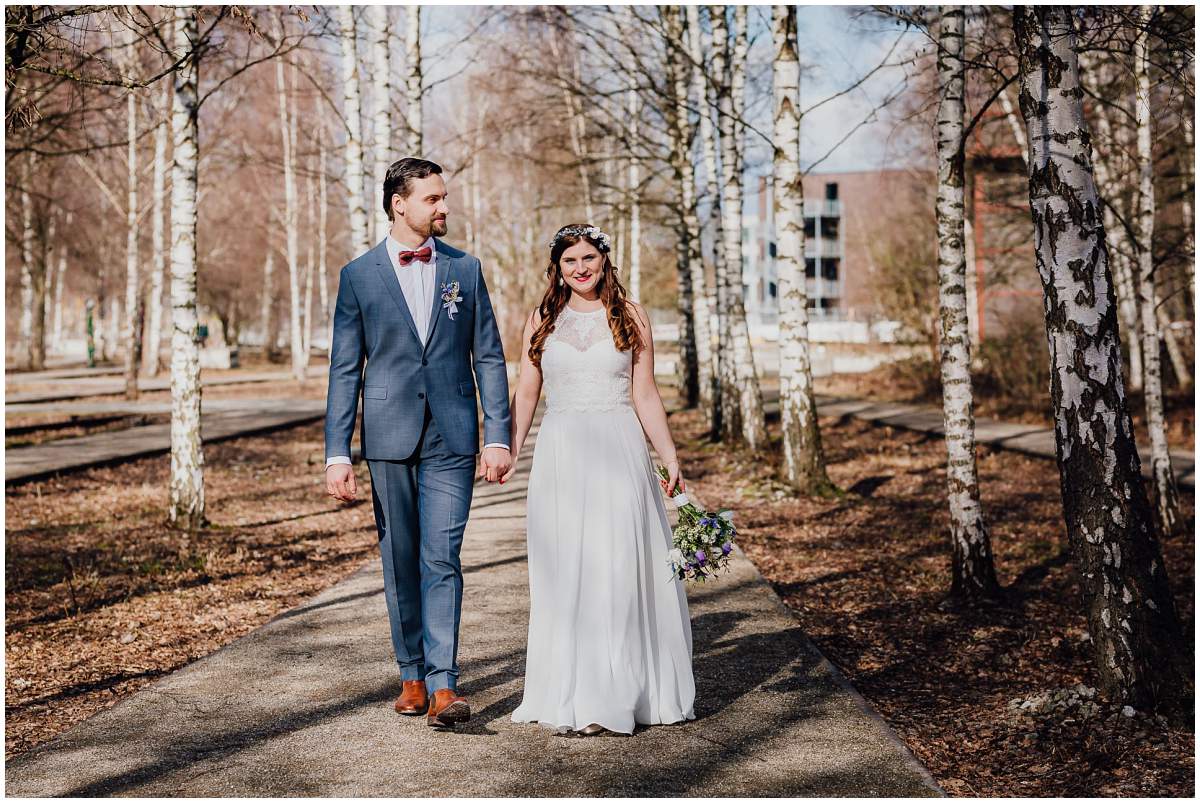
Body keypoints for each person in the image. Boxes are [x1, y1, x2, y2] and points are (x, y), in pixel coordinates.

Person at [323, 157, 513, 729]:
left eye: (444, 197)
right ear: (398, 204)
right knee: (400, 557)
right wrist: (338, 452)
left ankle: (444, 685)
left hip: (453, 435)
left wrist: (497, 435)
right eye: (433, 199)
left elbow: (489, 355)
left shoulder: (466, 268)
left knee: (442, 555)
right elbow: (344, 369)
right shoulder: (358, 276)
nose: (444, 207)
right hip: (387, 437)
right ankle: (411, 672)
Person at [506, 223, 697, 736]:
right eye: (570, 261)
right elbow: (527, 393)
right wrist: (507, 449)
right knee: (568, 567)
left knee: (617, 566)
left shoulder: (630, 315)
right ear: (558, 268)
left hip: (619, 448)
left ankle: (615, 696)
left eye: (588, 257)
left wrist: (669, 455)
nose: (580, 268)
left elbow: (646, 394)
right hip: (561, 452)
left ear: (604, 259)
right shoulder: (542, 319)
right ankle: (571, 691)